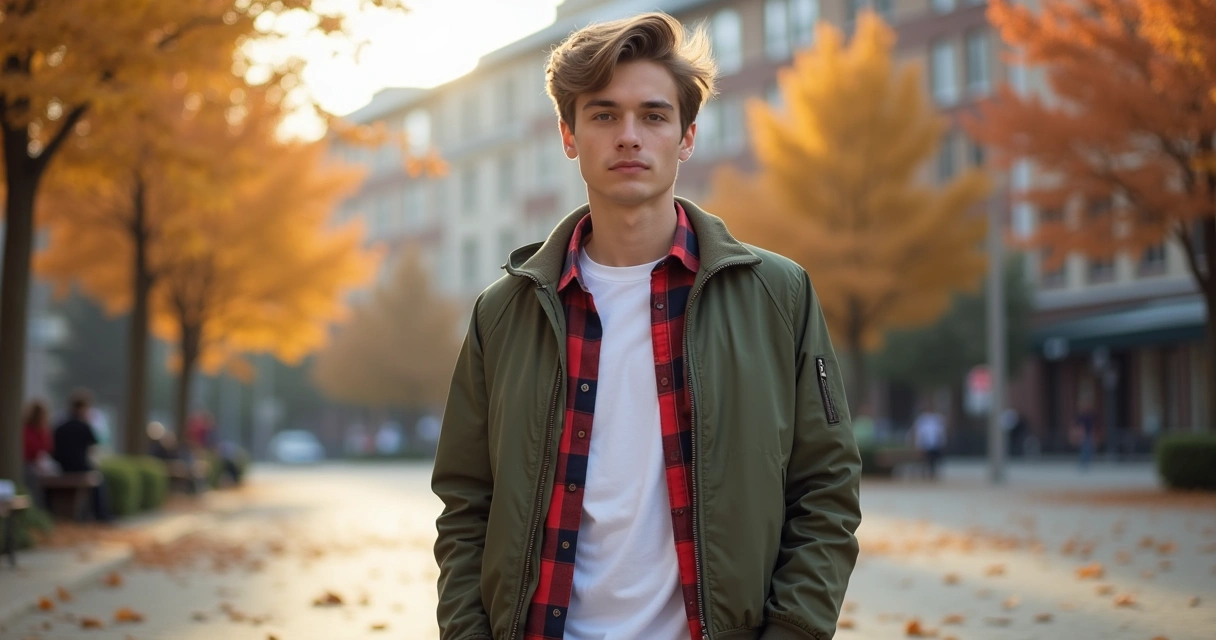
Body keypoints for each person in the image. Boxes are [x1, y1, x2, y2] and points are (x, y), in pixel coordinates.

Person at [432, 13, 861, 640]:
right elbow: (466, 506)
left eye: (653, 116)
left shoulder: (778, 295)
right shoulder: (502, 314)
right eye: (604, 115)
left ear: (686, 137)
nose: (629, 136)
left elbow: (826, 490)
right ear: (568, 135)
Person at [52, 389, 111, 522]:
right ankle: (101, 515)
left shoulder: (60, 426)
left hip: (63, 467)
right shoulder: (84, 426)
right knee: (99, 479)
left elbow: (53, 450)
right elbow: (95, 443)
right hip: (80, 466)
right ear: (83, 408)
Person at [21, 399, 56, 508]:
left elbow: (48, 448)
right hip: (28, 464)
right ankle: (37, 507)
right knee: (33, 477)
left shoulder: (44, 430)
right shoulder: (26, 430)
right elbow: (26, 450)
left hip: (41, 464)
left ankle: (51, 508)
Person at [912, 402, 947, 480]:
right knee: (925, 460)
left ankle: (933, 474)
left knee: (934, 461)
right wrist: (918, 443)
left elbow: (940, 432)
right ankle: (924, 474)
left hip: (935, 444)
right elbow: (918, 432)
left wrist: (942, 442)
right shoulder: (921, 419)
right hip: (925, 443)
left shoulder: (938, 419)